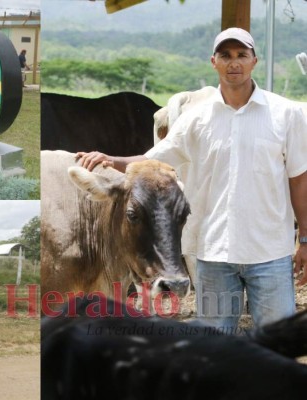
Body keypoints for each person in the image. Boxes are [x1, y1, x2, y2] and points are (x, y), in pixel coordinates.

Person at [76, 27, 307, 331]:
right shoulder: (197, 119)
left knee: (279, 343)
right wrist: (111, 160)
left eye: (241, 55)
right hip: (213, 254)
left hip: (270, 253)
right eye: (226, 55)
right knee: (214, 347)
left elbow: (299, 179)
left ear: (254, 61)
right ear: (214, 62)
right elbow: (155, 157)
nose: (233, 62)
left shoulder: (286, 114)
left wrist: (304, 239)